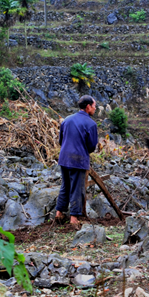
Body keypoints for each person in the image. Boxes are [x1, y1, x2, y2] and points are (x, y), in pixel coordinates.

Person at [55, 95, 98, 225]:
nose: (95, 108)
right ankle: (74, 219)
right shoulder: (91, 124)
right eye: (94, 106)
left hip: (64, 158)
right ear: (88, 106)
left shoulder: (67, 120)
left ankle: (59, 213)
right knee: (77, 188)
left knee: (65, 186)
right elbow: (91, 146)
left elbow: (61, 140)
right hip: (78, 160)